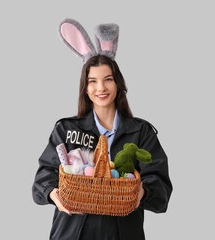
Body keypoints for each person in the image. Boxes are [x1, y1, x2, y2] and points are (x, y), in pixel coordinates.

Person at [32, 19, 172, 240]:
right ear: (85, 89)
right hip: (72, 233)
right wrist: (54, 194)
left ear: (118, 84)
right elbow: (43, 177)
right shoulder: (66, 130)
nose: (101, 88)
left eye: (108, 79)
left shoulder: (141, 133)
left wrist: (141, 192)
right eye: (92, 81)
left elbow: (160, 187)